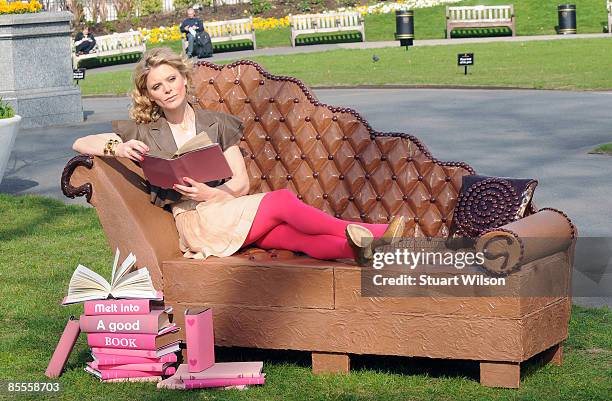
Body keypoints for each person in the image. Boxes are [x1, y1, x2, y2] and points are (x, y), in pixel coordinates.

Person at [71, 47, 405, 265]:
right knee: (282, 201)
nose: (168, 89)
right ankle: (375, 233)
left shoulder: (216, 123)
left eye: (172, 79)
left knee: (293, 237)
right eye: (157, 86)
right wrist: (120, 147)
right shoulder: (144, 130)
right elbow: (81, 142)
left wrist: (213, 193)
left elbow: (241, 182)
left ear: (185, 79)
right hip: (195, 221)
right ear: (151, 96)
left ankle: (366, 249)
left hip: (225, 207)